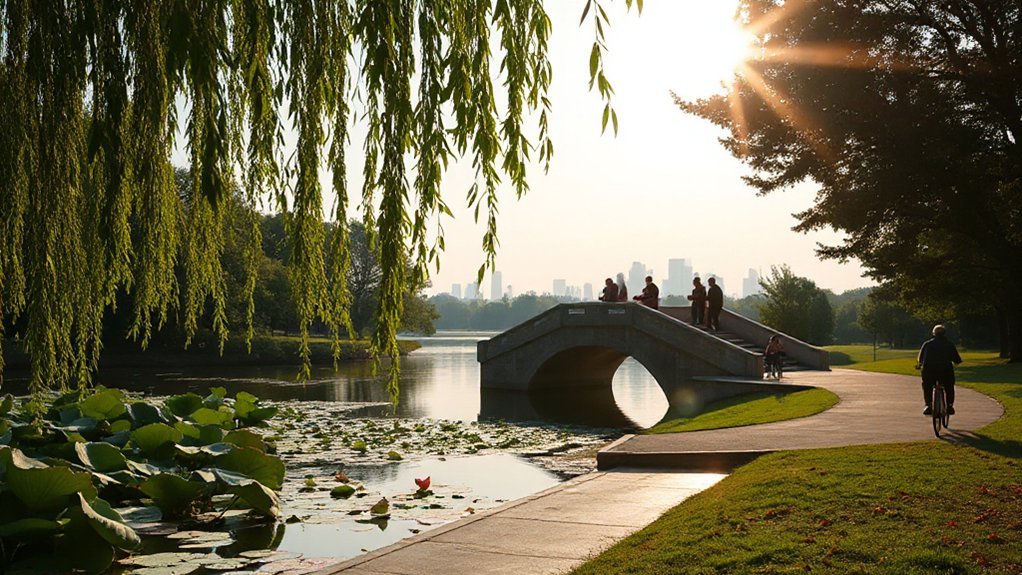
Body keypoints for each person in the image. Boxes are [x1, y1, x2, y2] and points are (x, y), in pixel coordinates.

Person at [916, 324, 962, 415]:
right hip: (945, 371)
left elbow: (920, 359)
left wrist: (919, 365)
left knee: (927, 386)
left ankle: (928, 405)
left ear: (933, 333)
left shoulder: (927, 344)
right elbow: (957, 360)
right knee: (949, 386)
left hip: (929, 371)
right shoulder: (949, 344)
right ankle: (949, 406)